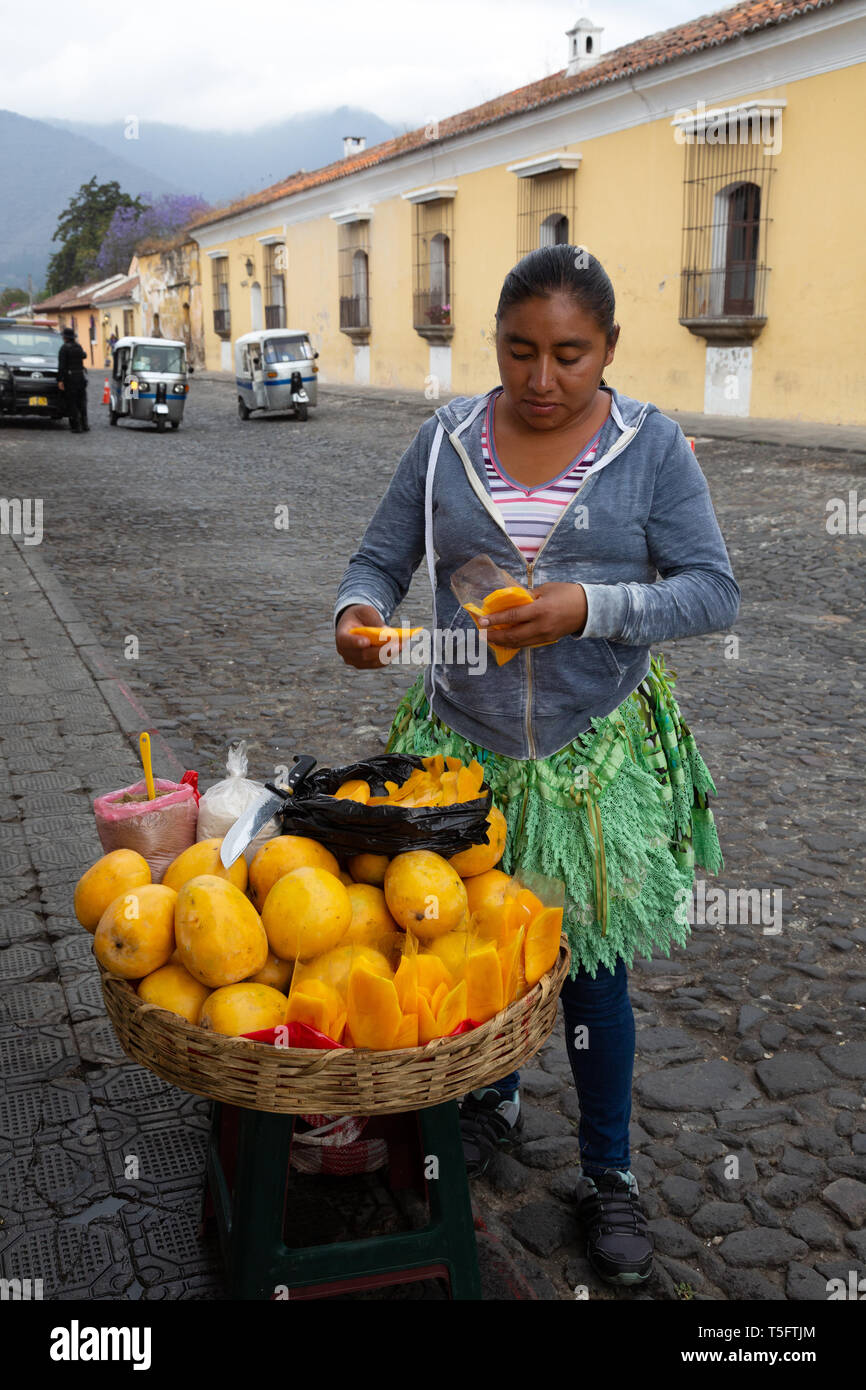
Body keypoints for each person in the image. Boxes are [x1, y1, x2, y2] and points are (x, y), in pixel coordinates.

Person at [334, 245, 739, 1288]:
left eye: (569, 354)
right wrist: (360, 614)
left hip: (588, 759)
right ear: (495, 346)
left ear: (607, 349)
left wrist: (591, 607)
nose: (542, 378)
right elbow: (382, 556)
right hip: (459, 747)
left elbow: (709, 590)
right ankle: (488, 1098)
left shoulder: (650, 450)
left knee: (590, 972)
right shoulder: (442, 442)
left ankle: (609, 1174)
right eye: (519, 351)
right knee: (467, 947)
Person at [57, 326, 89, 432]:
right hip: (81, 376)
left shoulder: (64, 348)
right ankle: (85, 425)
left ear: (65, 338)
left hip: (70, 378)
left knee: (72, 402)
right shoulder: (78, 347)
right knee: (82, 402)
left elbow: (62, 366)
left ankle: (76, 426)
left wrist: (60, 380)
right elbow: (84, 355)